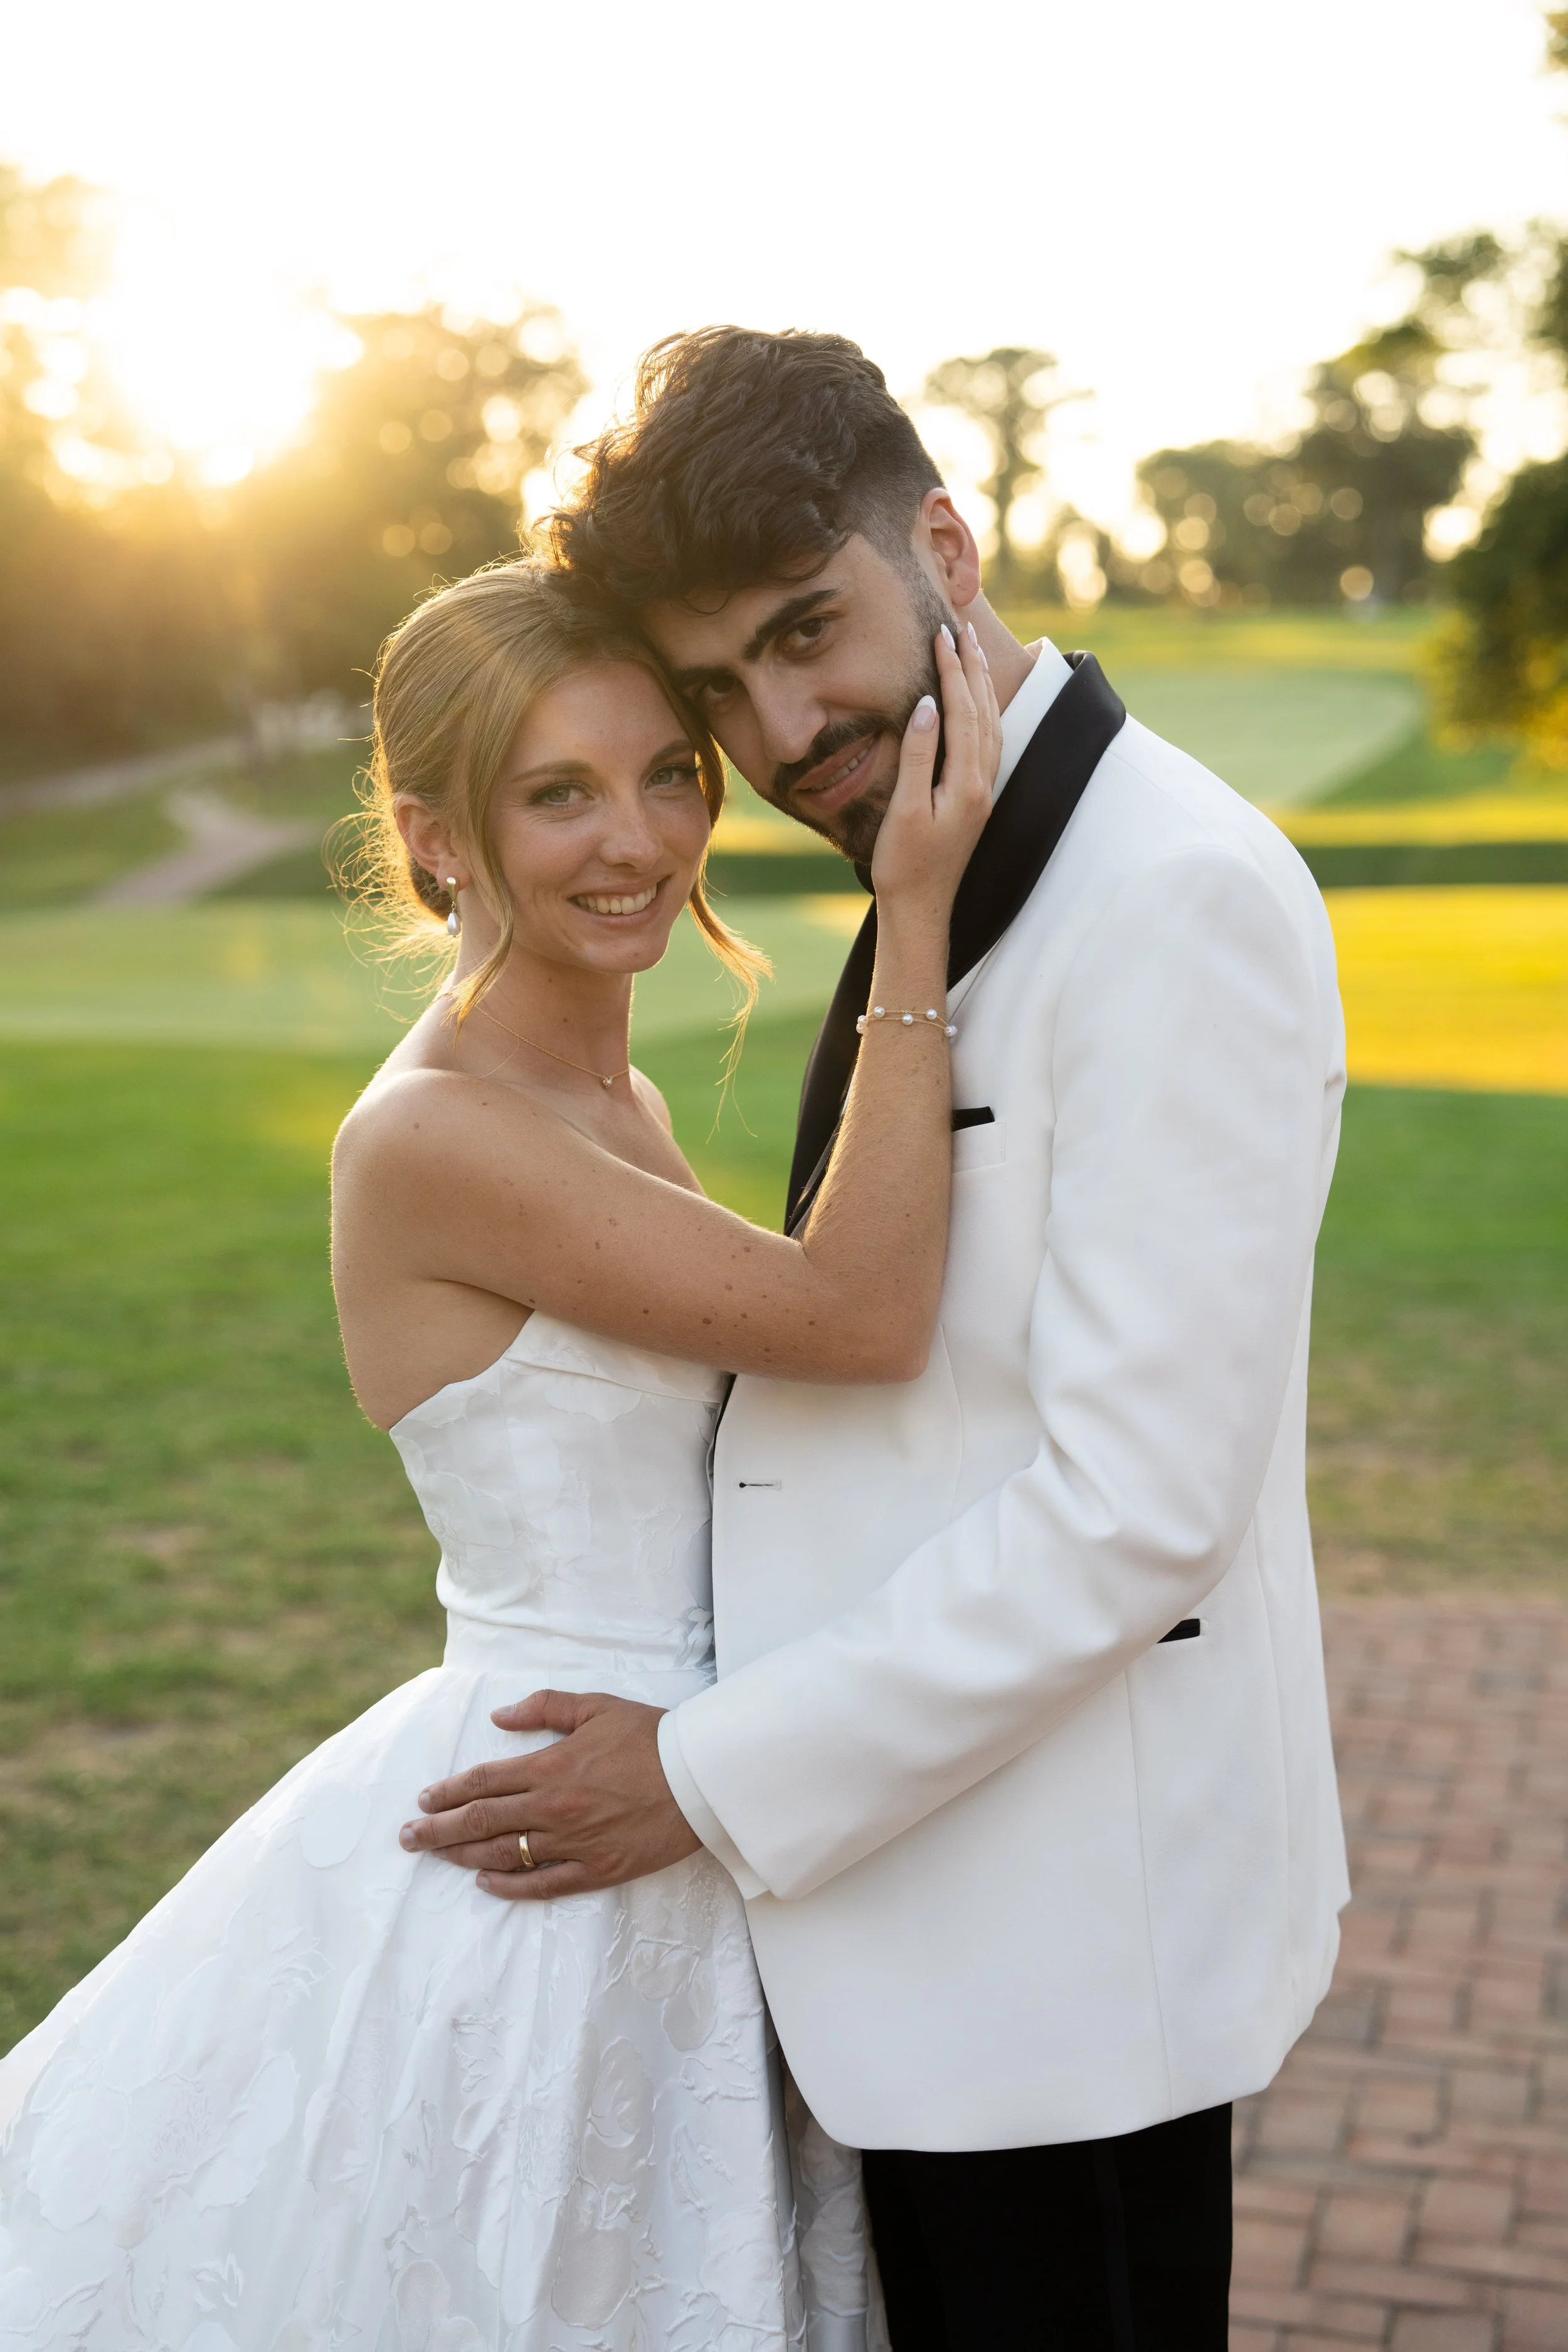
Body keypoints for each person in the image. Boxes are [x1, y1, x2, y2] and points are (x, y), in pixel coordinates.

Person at [406, 329, 1352, 2352]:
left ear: (943, 538)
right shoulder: (938, 848)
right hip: (932, 1917)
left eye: (808, 631)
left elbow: (1139, 1506)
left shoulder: (1166, 894)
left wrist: (710, 1768)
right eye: (718, 690)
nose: (782, 727)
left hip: (1065, 1950)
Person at [0, 560, 997, 2348]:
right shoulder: (437, 1135)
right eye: (558, 792)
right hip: (557, 1829)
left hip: (688, 1789)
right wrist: (912, 920)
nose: (641, 838)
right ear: (434, 836)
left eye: (666, 772)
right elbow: (857, 1317)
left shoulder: (603, 1099)